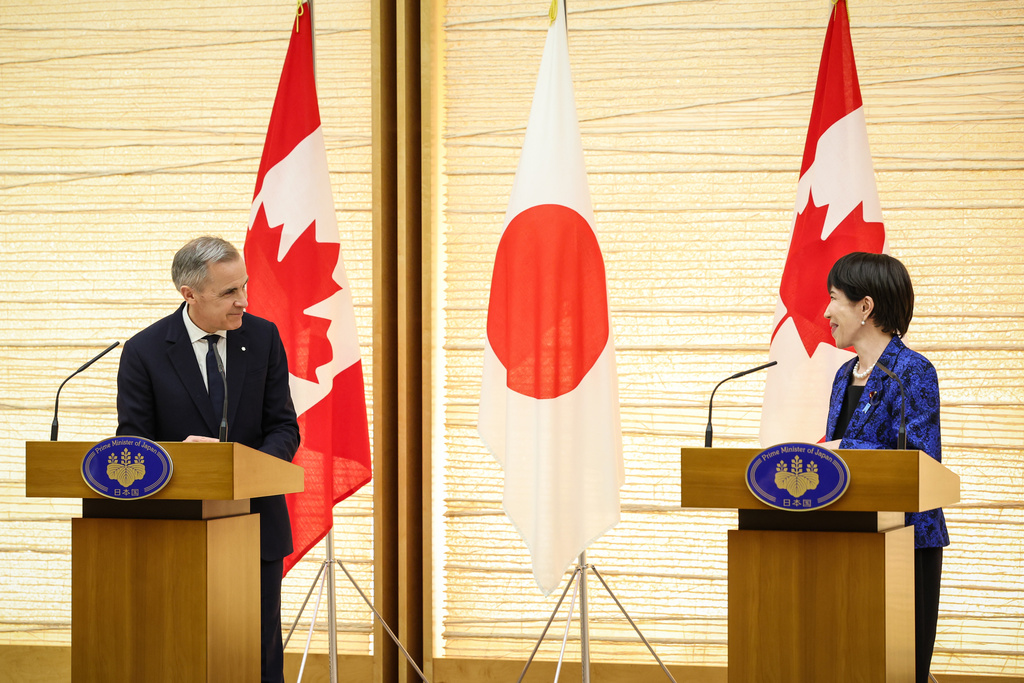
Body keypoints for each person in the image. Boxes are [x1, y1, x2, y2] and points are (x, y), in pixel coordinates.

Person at [117, 236, 299, 683]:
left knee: (257, 655)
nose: (244, 301)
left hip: (255, 524)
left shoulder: (263, 337)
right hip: (176, 533)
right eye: (229, 293)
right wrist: (185, 461)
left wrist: (239, 464)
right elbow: (132, 442)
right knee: (183, 654)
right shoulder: (144, 351)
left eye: (244, 286)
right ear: (189, 294)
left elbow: (284, 428)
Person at [823, 251, 948, 683]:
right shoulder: (843, 376)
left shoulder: (913, 372)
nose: (826, 311)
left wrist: (842, 446)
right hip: (848, 542)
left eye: (834, 298)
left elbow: (920, 461)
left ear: (865, 307)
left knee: (899, 670)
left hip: (906, 544)